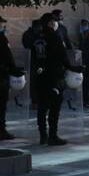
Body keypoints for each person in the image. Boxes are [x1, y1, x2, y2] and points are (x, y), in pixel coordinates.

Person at [32, 12, 75, 146]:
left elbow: (35, 57)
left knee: (42, 107)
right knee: (55, 107)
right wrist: (72, 68)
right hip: (54, 77)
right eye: (54, 21)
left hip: (40, 77)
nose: (56, 24)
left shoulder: (38, 37)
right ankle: (52, 135)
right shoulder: (54, 36)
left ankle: (43, 135)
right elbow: (62, 56)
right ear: (50, 23)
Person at [0, 14, 23, 140]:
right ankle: (1, 129)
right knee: (2, 102)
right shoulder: (0, 37)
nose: (2, 25)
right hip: (1, 73)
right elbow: (7, 55)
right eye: (1, 23)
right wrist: (14, 69)